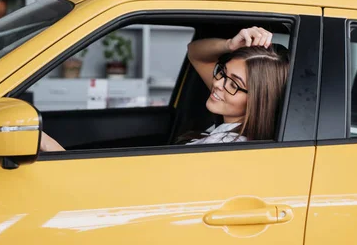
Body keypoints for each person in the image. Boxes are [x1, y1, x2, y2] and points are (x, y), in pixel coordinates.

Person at [39, 26, 289, 151]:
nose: (218, 83)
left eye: (234, 84)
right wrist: (229, 44)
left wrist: (54, 150)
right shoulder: (231, 121)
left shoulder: (226, 147)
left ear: (257, 100)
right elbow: (196, 54)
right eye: (222, 72)